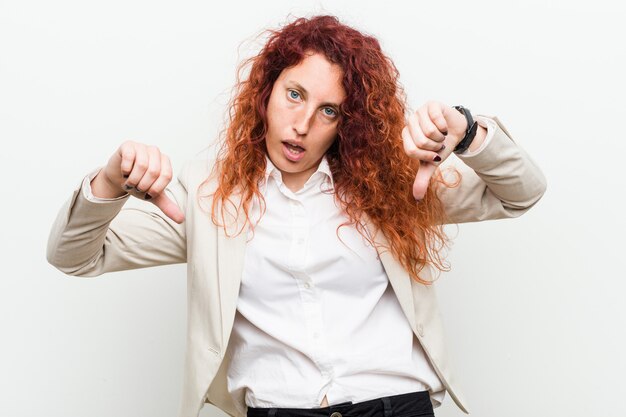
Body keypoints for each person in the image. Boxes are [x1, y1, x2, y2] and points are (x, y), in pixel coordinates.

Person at [47, 14, 547, 417]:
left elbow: (521, 193)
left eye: (329, 110)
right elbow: (74, 257)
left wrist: (464, 130)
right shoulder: (208, 198)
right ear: (265, 92)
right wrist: (109, 181)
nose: (303, 124)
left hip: (396, 408)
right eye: (295, 94)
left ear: (347, 123)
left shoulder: (390, 185)